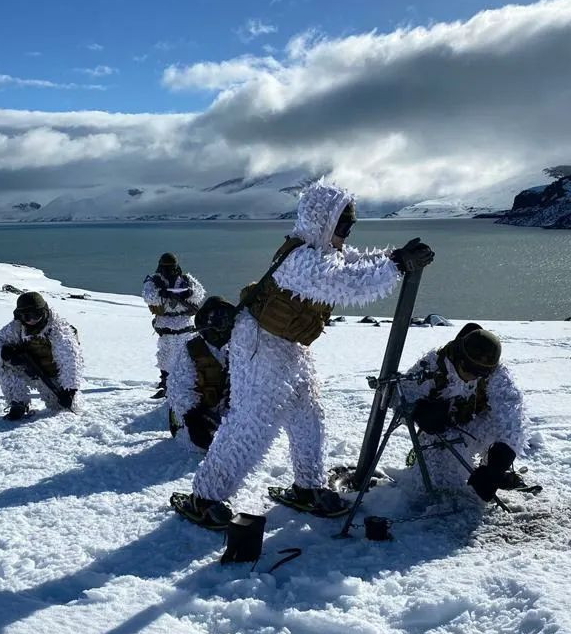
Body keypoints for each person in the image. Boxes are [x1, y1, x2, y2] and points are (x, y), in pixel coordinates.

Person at [172, 183, 435, 529]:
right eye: (342, 225)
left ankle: (308, 486)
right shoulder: (300, 260)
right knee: (251, 423)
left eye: (350, 225)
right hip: (259, 347)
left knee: (308, 414)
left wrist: (393, 257)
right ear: (322, 221)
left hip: (292, 347)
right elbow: (347, 283)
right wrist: (398, 265)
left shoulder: (324, 252)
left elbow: (355, 263)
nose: (347, 232)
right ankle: (205, 496)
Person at [395, 323, 531, 502]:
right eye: (469, 370)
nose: (474, 376)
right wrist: (419, 412)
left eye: (480, 373)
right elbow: (400, 396)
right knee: (437, 484)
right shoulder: (433, 364)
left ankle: (491, 468)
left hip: (478, 423)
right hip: (441, 428)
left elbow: (513, 418)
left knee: (501, 438)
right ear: (459, 358)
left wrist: (496, 467)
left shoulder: (497, 374)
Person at [0, 292, 83, 421]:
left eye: (35, 315)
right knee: (5, 366)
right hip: (31, 371)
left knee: (65, 408)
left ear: (44, 312)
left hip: (55, 378)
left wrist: (70, 390)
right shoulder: (17, 327)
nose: (31, 320)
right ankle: (18, 404)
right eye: (26, 316)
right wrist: (4, 352)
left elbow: (71, 361)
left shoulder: (59, 330)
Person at [165, 296, 235, 451]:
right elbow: (178, 388)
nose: (222, 326)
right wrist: (193, 417)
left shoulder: (237, 348)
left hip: (226, 419)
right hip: (195, 420)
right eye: (217, 320)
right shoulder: (193, 348)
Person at [142, 253, 206, 398]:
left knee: (184, 357)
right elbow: (148, 296)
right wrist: (163, 294)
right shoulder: (155, 280)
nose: (169, 270)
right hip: (166, 327)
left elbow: (199, 293)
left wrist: (188, 293)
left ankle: (184, 383)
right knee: (165, 356)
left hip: (184, 326)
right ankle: (165, 383)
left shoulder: (186, 280)